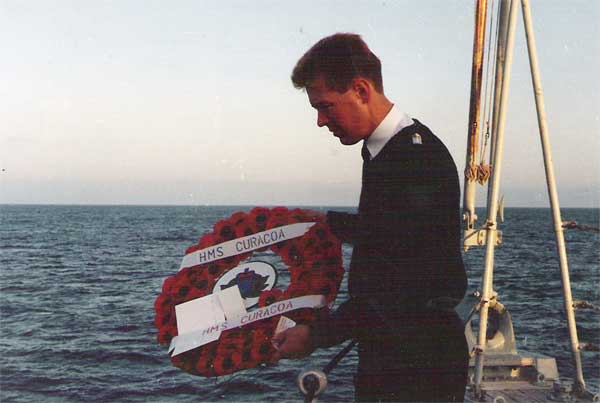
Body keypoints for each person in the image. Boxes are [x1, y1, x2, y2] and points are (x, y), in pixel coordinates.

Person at [272, 33, 469, 402]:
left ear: (361, 90)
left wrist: (315, 336)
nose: (320, 121)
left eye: (326, 106)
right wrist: (325, 222)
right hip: (396, 354)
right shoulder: (388, 150)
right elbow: (388, 233)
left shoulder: (414, 160)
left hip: (418, 366)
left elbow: (401, 286)